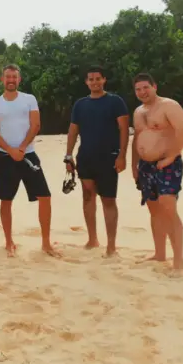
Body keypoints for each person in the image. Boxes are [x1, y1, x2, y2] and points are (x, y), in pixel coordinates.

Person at [0, 64, 61, 258]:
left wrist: (21, 148)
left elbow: (35, 125)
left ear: (19, 79)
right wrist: (10, 150)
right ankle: (8, 242)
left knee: (45, 197)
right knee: (6, 200)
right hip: (4, 157)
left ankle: (46, 243)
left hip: (28, 155)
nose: (11, 80)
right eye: (8, 77)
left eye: (14, 77)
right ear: (2, 79)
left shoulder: (29, 99)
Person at [65, 65, 129, 257]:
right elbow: (73, 131)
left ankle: (111, 246)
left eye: (98, 78)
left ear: (104, 80)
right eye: (91, 79)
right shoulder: (80, 104)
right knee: (87, 196)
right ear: (86, 82)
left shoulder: (115, 101)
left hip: (109, 157)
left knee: (108, 200)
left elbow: (124, 130)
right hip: (85, 157)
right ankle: (92, 239)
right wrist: (68, 156)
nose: (95, 82)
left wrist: (122, 156)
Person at [130, 73, 183, 275]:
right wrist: (134, 165)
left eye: (145, 87)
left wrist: (171, 156)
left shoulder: (168, 105)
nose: (142, 92)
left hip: (167, 163)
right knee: (154, 209)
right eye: (138, 89)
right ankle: (159, 253)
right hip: (145, 166)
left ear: (154, 86)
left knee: (168, 208)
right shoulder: (138, 111)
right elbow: (136, 138)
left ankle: (179, 262)